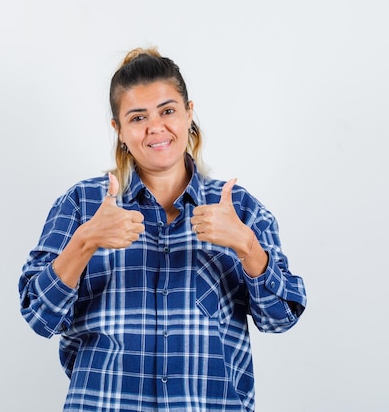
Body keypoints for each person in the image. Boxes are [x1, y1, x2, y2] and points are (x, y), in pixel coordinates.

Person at [18, 47, 307, 412]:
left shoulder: (238, 209)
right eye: (137, 117)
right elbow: (39, 317)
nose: (155, 127)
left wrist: (246, 246)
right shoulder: (81, 204)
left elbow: (280, 318)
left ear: (189, 114)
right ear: (119, 130)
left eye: (168, 111)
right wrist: (86, 240)